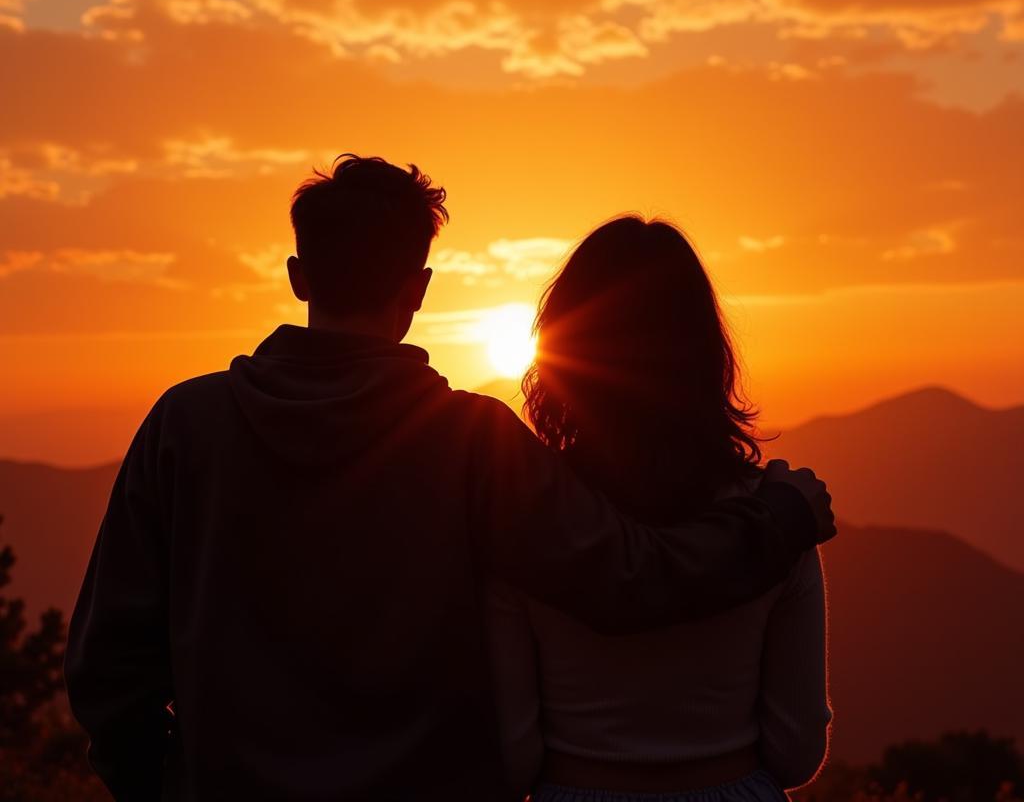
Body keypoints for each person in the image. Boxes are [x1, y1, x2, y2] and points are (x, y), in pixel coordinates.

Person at [65, 155, 835, 802]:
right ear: (418, 287)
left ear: (299, 276)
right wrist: (781, 518)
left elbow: (109, 660)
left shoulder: (186, 426)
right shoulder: (470, 442)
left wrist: (162, 784)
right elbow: (632, 577)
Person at [488, 217, 832, 802]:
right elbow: (795, 751)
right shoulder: (778, 516)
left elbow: (513, 755)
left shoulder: (526, 517)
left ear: (561, 354)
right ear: (705, 354)